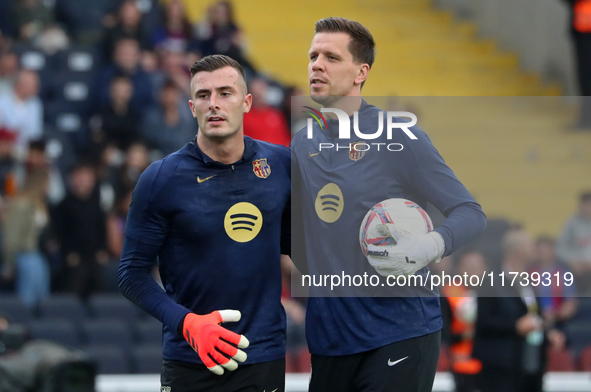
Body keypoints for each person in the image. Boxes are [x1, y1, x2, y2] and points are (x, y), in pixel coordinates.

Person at [290, 17, 487, 392]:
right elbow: (302, 242)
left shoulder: (400, 136)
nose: (316, 64)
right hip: (331, 338)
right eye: (313, 55)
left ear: (360, 72)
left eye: (331, 57)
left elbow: (470, 214)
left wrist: (426, 246)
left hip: (400, 332)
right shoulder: (301, 145)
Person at [118, 54, 290, 392]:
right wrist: (188, 324)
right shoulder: (160, 179)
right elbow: (131, 274)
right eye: (203, 95)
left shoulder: (281, 165)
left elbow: (300, 249)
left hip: (263, 357)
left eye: (225, 93)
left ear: (247, 102)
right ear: (192, 106)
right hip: (191, 361)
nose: (214, 104)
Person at [473, 228, 565, 392]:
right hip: (502, 367)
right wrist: (514, 326)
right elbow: (483, 321)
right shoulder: (490, 282)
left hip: (530, 364)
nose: (535, 250)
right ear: (518, 250)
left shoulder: (527, 282)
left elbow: (534, 315)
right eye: (530, 245)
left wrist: (548, 330)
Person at [1, 168, 50, 307]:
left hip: (36, 255)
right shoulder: (21, 204)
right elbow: (11, 237)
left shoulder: (39, 204)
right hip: (24, 256)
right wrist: (8, 263)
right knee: (27, 301)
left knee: (43, 300)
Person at [556, 191, 591, 293]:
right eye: (585, 204)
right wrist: (572, 261)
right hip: (577, 272)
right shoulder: (571, 223)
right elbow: (560, 248)